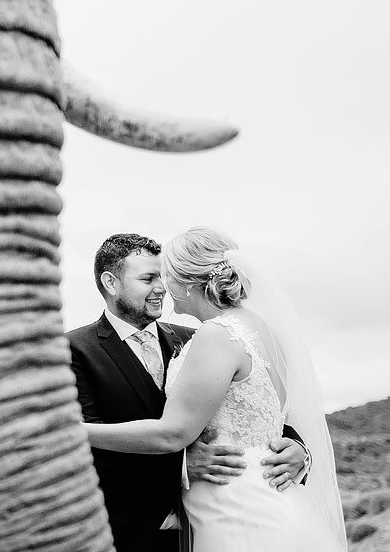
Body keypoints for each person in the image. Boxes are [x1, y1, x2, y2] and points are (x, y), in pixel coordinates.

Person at [82, 228, 346, 551]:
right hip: (135, 533)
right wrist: (178, 468)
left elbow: (262, 418)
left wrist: (300, 451)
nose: (162, 287)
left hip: (238, 515)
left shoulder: (212, 336)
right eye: (149, 278)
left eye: (164, 276)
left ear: (189, 281)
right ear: (110, 283)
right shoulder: (76, 350)